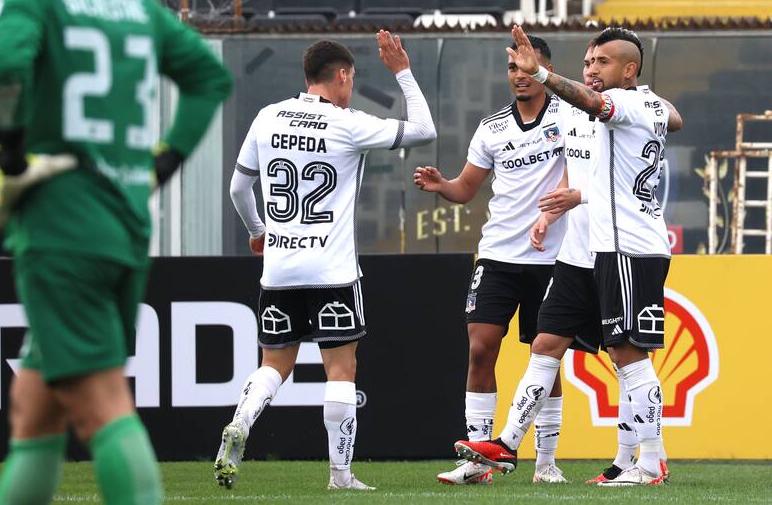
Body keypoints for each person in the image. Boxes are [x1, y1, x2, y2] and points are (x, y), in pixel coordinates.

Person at [0, 0, 233, 502]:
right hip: (121, 224)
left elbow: (6, 67)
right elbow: (209, 77)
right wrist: (161, 164)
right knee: (34, 408)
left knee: (102, 403)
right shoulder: (131, 2)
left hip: (60, 222)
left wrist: (9, 153)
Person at [457, 35, 682, 486]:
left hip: (628, 247)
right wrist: (554, 207)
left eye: (603, 61)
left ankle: (651, 461)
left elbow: (644, 113)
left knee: (629, 357)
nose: (592, 68)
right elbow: (669, 121)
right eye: (587, 61)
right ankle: (506, 445)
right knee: (545, 345)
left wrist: (539, 73)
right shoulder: (609, 108)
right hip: (583, 250)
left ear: (630, 70)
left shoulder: (627, 103)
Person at [217, 33, 436, 491]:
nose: (350, 88)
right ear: (341, 76)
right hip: (332, 271)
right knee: (341, 369)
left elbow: (239, 189)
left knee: (274, 364)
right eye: (350, 80)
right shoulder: (347, 122)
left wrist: (259, 231)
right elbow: (424, 130)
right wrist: (403, 72)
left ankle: (241, 420)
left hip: (278, 269)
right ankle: (340, 474)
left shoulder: (267, 117)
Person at [414, 35, 570, 485]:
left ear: (545, 69)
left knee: (546, 360)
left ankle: (546, 462)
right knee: (481, 349)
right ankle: (477, 459)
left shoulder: (570, 115)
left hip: (554, 258)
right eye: (512, 68)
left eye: (528, 66)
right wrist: (443, 184)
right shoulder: (492, 127)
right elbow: (466, 190)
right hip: (498, 255)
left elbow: (581, 171)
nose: (519, 75)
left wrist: (551, 212)